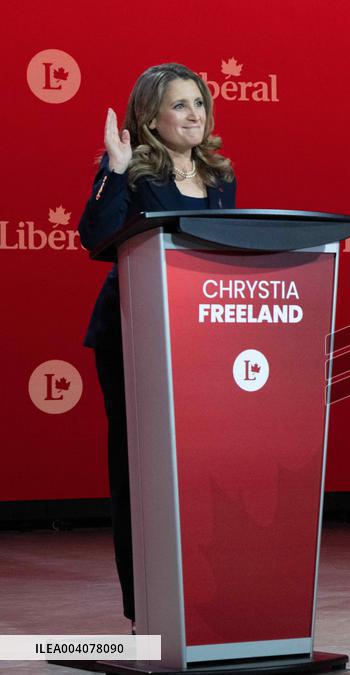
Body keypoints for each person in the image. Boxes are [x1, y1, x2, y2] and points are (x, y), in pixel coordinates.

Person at [77, 63, 236, 626]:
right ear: (150, 116)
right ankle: (143, 610)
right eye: (180, 105)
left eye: (199, 103)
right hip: (134, 335)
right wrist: (114, 174)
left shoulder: (220, 178)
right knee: (140, 470)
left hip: (203, 338)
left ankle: (203, 596)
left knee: (204, 467)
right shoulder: (131, 172)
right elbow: (98, 238)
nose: (194, 115)